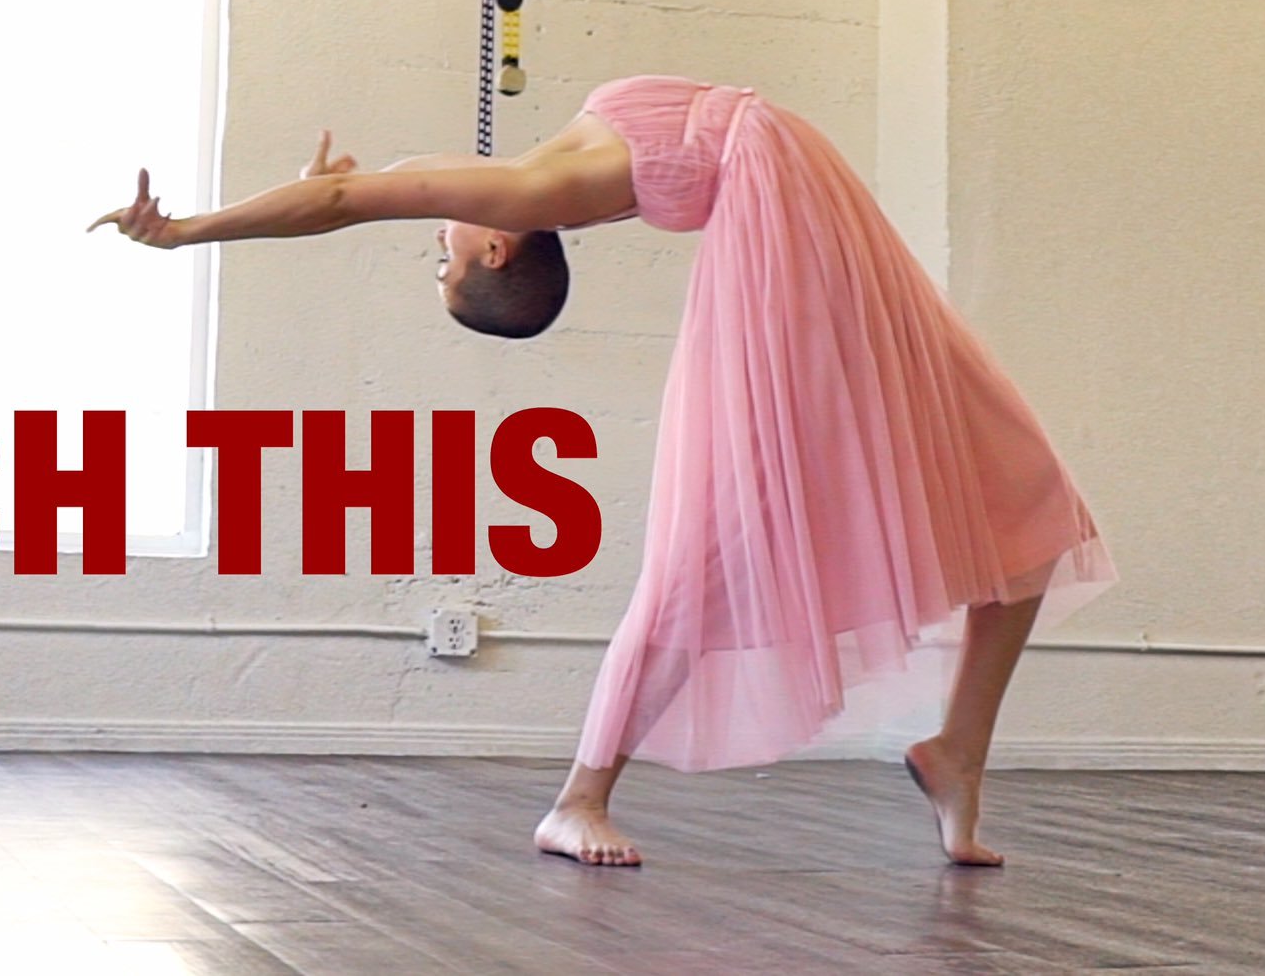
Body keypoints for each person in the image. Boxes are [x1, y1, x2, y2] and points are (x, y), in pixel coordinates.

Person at [90, 74, 1117, 868]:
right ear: (497, 249)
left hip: (826, 238)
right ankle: (577, 799)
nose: (437, 246)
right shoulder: (538, 188)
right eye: (443, 261)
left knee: (1025, 489)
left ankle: (957, 753)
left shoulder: (541, 169)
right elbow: (357, 201)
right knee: (708, 548)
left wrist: (314, 189)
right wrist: (184, 232)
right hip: (801, 258)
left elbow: (365, 187)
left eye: (435, 261)